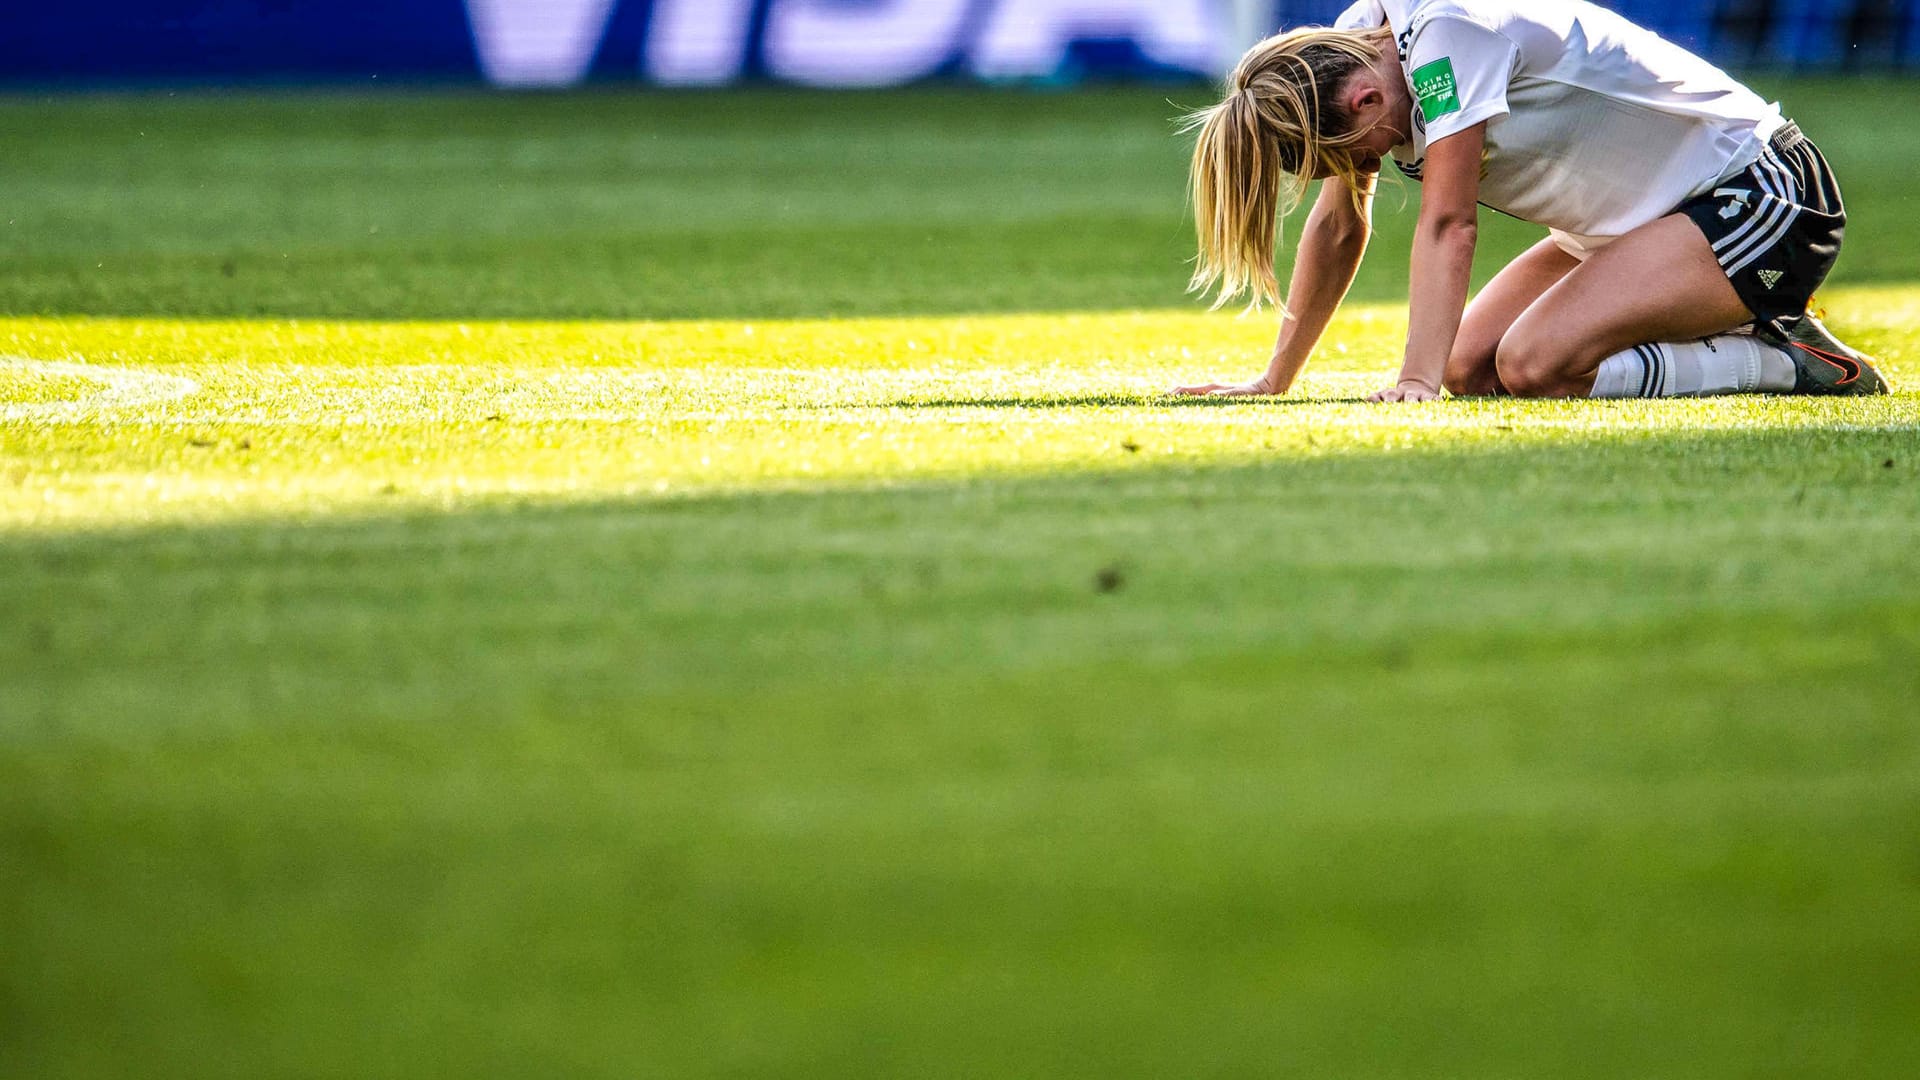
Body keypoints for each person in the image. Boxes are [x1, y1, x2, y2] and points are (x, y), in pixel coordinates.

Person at [1172, 0, 1891, 402]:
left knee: (1534, 365)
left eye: (1361, 155)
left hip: (1760, 196)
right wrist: (1274, 380)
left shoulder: (1448, 42)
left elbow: (1449, 223)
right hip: (1651, 221)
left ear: (1363, 100)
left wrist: (1411, 383)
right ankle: (1728, 326)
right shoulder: (1359, 39)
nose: (1371, 168)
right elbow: (1337, 226)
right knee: (1470, 370)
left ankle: (1785, 357)